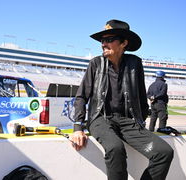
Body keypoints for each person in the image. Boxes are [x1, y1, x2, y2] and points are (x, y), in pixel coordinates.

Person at [69, 19, 174, 180]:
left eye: (109, 39)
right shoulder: (95, 63)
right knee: (115, 148)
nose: (103, 44)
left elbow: (140, 94)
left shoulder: (135, 63)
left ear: (124, 43)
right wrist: (78, 127)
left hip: (128, 121)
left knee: (164, 152)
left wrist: (141, 122)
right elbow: (81, 96)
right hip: (100, 119)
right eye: (102, 40)